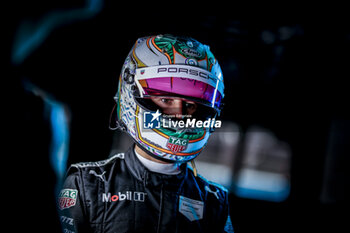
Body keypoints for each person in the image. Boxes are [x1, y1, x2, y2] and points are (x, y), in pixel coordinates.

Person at [58, 34, 234, 233]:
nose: (180, 115)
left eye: (191, 105)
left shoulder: (213, 200)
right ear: (131, 92)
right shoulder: (86, 183)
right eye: (166, 100)